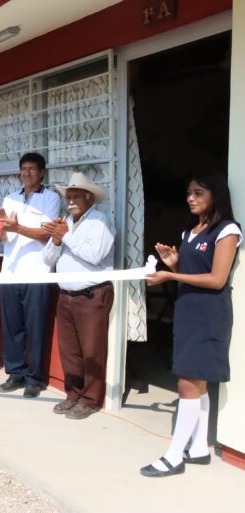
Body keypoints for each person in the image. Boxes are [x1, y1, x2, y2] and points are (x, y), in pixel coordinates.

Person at [140, 174, 240, 478]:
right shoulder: (190, 231)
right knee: (198, 381)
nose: (191, 198)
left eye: (199, 192)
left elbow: (216, 279)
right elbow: (193, 272)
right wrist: (174, 264)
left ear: (216, 195)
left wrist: (170, 277)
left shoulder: (227, 230)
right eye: (188, 193)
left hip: (209, 314)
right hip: (188, 310)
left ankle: (174, 456)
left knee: (187, 382)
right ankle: (197, 448)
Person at [41, 173, 115, 419]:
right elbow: (47, 259)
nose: (70, 200)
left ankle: (91, 399)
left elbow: (95, 255)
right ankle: (73, 393)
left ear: (89, 197)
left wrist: (65, 236)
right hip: (66, 295)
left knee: (92, 350)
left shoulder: (101, 221)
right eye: (68, 196)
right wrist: (56, 239)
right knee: (69, 350)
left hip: (92, 295)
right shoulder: (65, 224)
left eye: (75, 196)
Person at [0, 152, 61, 398]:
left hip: (37, 273)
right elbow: (3, 237)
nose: (27, 173)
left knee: (35, 328)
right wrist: (1, 228)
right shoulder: (10, 198)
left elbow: (46, 234)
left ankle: (35, 378)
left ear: (42, 172)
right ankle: (15, 373)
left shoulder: (51, 198)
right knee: (12, 327)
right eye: (23, 168)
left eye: (32, 168)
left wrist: (17, 227)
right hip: (10, 271)